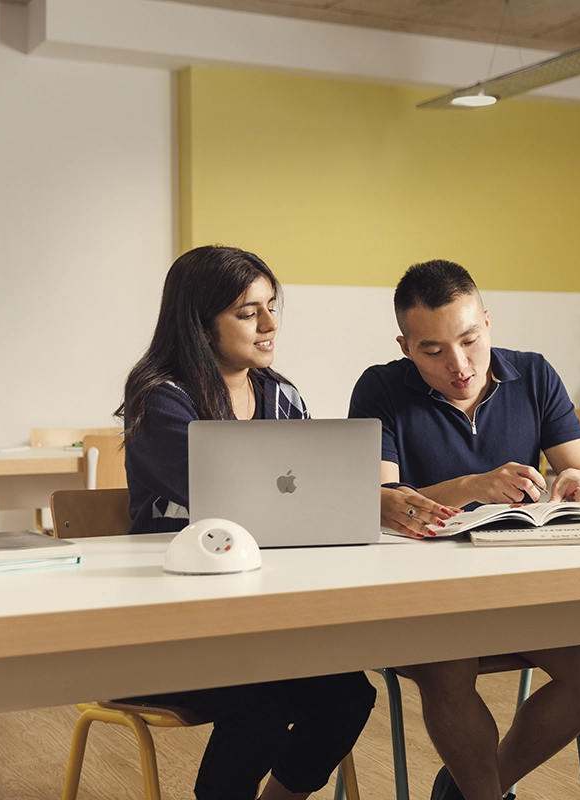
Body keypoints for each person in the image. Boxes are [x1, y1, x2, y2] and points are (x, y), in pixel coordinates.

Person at [119, 245, 393, 800]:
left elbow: (311, 500)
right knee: (265, 701)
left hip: (261, 615)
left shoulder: (282, 395)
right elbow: (235, 510)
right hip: (174, 623)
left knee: (349, 697)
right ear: (199, 323)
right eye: (248, 313)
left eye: (272, 307)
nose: (270, 325)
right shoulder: (160, 401)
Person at [348, 259, 580, 800]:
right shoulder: (379, 389)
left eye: (470, 340)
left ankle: (473, 789)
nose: (460, 364)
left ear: (488, 323)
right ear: (405, 347)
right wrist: (473, 486)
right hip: (421, 596)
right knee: (449, 664)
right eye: (433, 351)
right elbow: (376, 503)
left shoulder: (534, 373)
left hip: (515, 585)